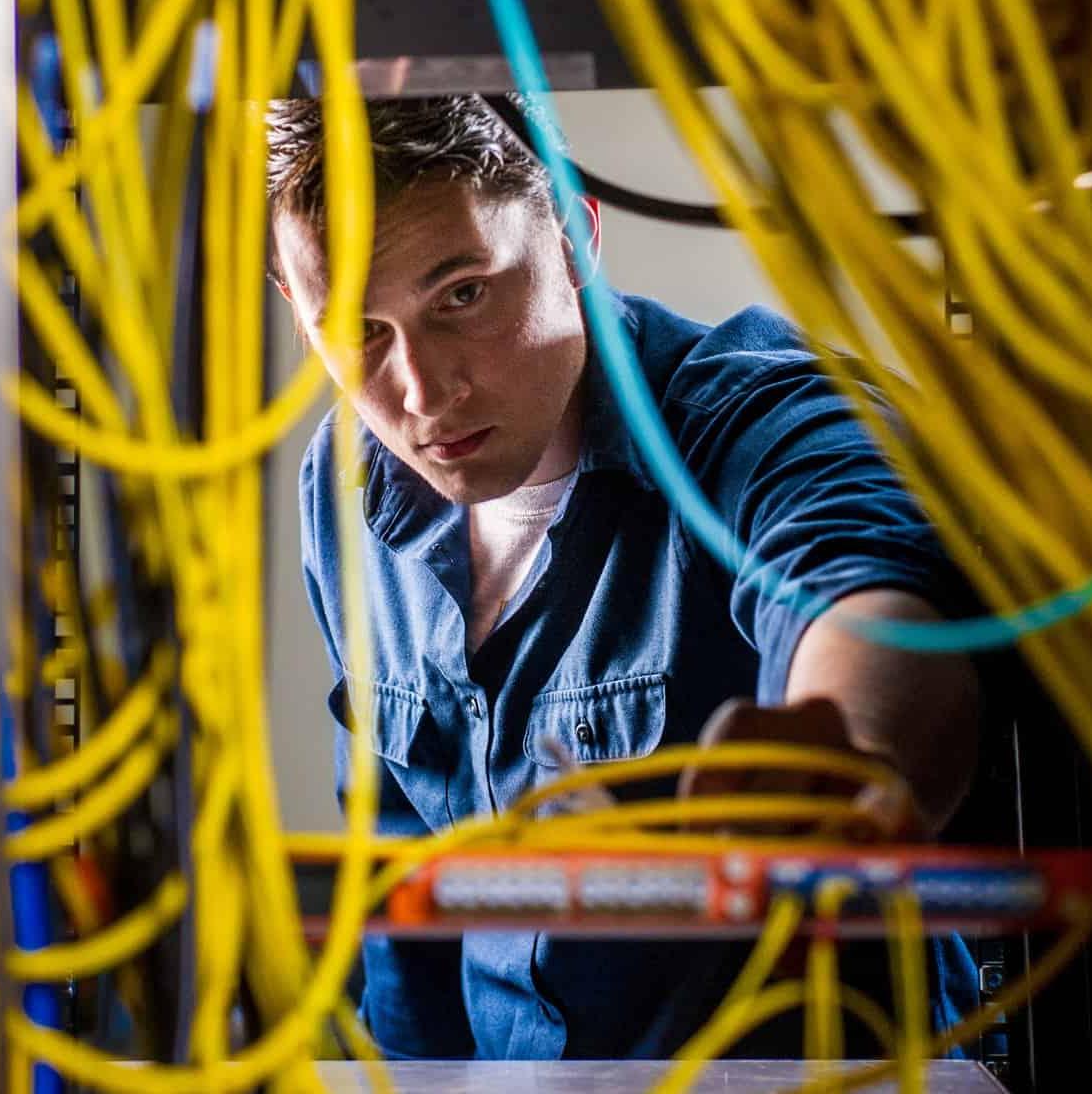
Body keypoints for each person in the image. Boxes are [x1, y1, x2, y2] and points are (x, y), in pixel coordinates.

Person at [267, 93, 983, 1060]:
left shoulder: (748, 414)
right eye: (361, 333)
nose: (424, 394)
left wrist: (854, 759)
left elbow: (864, 578)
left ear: (573, 236)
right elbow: (407, 871)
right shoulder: (346, 484)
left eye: (463, 295)